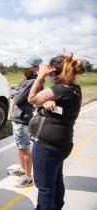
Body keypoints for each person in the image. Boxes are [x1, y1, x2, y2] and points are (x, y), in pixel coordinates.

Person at [28, 53, 85, 210]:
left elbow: (32, 99)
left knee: (45, 187)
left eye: (51, 74)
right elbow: (64, 110)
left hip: (47, 147)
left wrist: (40, 77)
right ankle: (57, 206)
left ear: (56, 73)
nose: (50, 77)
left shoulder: (60, 89)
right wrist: (46, 103)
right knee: (56, 180)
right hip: (62, 145)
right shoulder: (74, 89)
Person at [8, 56, 42, 188]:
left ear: (35, 68)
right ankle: (22, 169)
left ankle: (28, 177)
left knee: (25, 148)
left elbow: (17, 98)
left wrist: (14, 90)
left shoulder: (31, 82)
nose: (23, 70)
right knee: (20, 146)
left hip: (23, 119)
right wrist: (17, 90)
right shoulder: (28, 80)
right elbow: (18, 93)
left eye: (26, 67)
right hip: (18, 118)